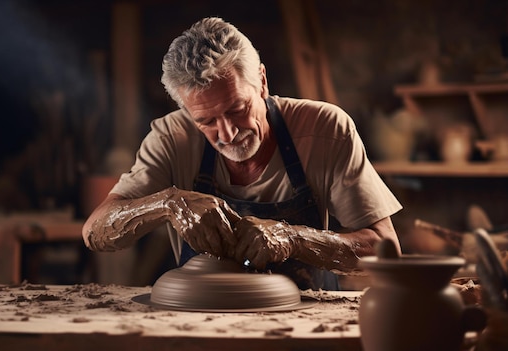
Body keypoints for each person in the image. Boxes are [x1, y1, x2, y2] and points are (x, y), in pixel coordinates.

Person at [83, 17, 402, 290]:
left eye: (237, 109)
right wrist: (168, 203)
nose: (228, 133)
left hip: (306, 316)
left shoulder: (324, 128)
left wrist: (294, 239)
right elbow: (95, 231)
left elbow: (386, 251)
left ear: (261, 83)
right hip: (206, 317)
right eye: (206, 121)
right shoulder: (172, 136)